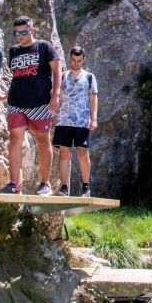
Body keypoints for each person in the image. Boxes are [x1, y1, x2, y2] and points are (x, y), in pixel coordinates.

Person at [0, 16, 60, 195]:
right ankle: (13, 184)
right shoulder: (14, 50)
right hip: (16, 103)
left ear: (31, 30)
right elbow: (18, 76)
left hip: (40, 103)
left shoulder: (44, 47)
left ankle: (45, 183)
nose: (20, 36)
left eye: (23, 32)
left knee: (42, 140)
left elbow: (57, 71)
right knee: (15, 139)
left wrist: (55, 95)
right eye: (17, 33)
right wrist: (6, 95)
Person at [55, 44, 98, 197]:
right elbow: (55, 93)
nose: (76, 63)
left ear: (83, 59)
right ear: (70, 58)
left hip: (82, 121)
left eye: (79, 60)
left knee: (82, 152)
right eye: (73, 60)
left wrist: (94, 118)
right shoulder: (62, 76)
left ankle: (86, 187)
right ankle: (64, 187)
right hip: (64, 120)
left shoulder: (89, 77)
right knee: (64, 152)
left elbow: (93, 98)